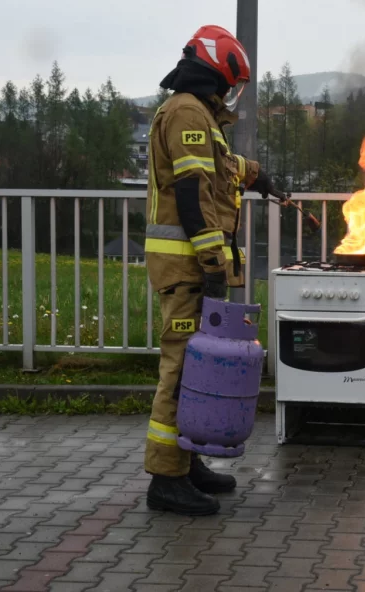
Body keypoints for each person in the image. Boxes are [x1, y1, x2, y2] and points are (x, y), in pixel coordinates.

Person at [144, 25, 276, 516]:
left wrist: (257, 174)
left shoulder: (195, 112)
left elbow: (218, 167)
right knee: (180, 369)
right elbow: (193, 192)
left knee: (197, 367)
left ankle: (187, 462)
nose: (229, 90)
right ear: (216, 67)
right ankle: (165, 478)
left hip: (192, 266)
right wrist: (212, 261)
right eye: (229, 80)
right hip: (187, 268)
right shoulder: (186, 111)